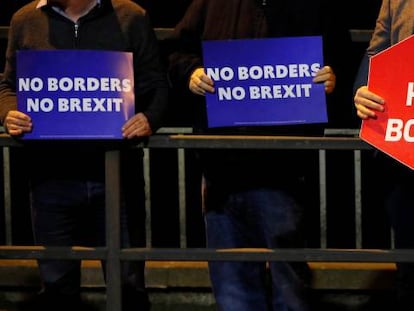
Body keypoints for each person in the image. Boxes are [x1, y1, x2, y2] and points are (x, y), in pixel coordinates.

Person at [168, 0, 354, 310]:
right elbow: (175, 53)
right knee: (233, 289)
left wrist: (334, 78)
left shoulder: (317, 5)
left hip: (284, 168)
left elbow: (344, 61)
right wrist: (191, 73)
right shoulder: (210, 3)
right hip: (221, 167)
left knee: (290, 287)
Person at [0, 0, 169, 310]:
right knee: (56, 286)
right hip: (50, 177)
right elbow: (8, 85)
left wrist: (149, 118)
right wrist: (9, 112)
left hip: (117, 175)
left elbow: (157, 84)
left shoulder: (131, 16)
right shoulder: (25, 19)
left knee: (128, 284)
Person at [354, 1, 414, 309]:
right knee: (409, 269)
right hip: (404, 160)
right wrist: (362, 91)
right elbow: (374, 57)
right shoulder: (398, 1)